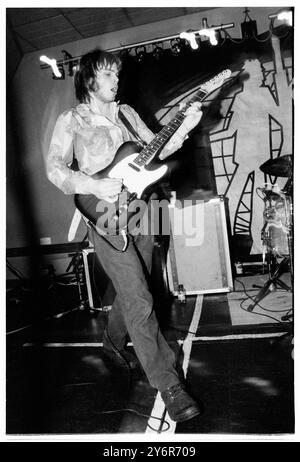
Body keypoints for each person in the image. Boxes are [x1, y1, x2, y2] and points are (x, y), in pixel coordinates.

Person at [46, 48, 203, 422]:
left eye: (117, 75)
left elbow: (157, 147)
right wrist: (93, 185)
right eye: (108, 75)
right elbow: (54, 168)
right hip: (103, 215)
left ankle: (112, 343)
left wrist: (186, 124)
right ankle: (170, 384)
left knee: (139, 287)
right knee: (138, 296)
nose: (116, 81)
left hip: (145, 209)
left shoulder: (128, 113)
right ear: (88, 80)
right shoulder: (73, 119)